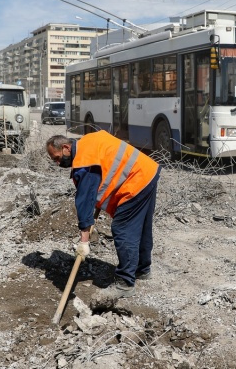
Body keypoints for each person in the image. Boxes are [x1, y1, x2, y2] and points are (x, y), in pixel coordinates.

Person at [46, 131, 161, 305]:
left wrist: (84, 240)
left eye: (57, 158)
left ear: (66, 148)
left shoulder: (84, 161)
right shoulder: (87, 144)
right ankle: (142, 269)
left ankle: (125, 283)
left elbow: (85, 200)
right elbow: (106, 172)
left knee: (123, 229)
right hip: (146, 172)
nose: (57, 163)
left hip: (135, 180)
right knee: (142, 225)